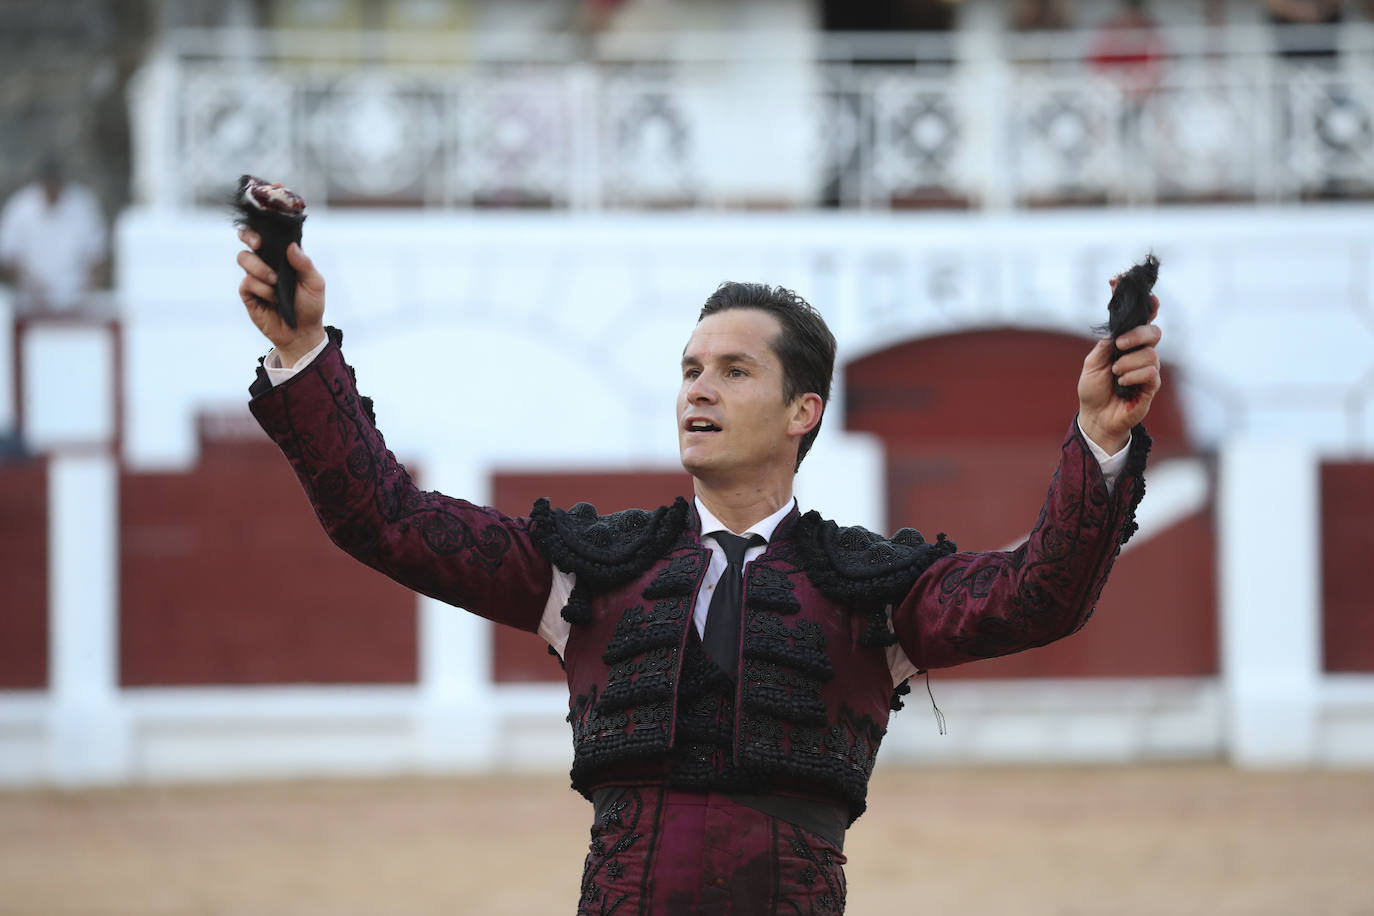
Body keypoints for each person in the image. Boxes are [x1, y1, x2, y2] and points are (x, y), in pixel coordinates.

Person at [235, 232, 1160, 914]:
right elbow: (389, 520)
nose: (697, 390)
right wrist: (302, 353)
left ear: (804, 410)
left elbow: (1039, 592)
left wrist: (1102, 440)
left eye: (732, 370)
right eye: (688, 370)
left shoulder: (872, 592)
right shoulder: (592, 571)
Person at [0, 156, 107, 316]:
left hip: (77, 303)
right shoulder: (20, 208)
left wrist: (85, 289)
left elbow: (99, 254)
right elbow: (7, 256)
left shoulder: (83, 205)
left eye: (55, 185)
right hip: (29, 305)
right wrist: (30, 283)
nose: (52, 191)